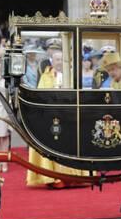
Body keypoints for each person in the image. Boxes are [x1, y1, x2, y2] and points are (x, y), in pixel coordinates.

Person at [26, 50, 88, 187]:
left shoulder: (72, 74)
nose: (59, 62)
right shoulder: (46, 76)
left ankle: (74, 176)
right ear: (52, 61)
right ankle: (53, 176)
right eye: (57, 60)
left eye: (61, 59)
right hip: (51, 115)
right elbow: (41, 96)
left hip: (69, 114)